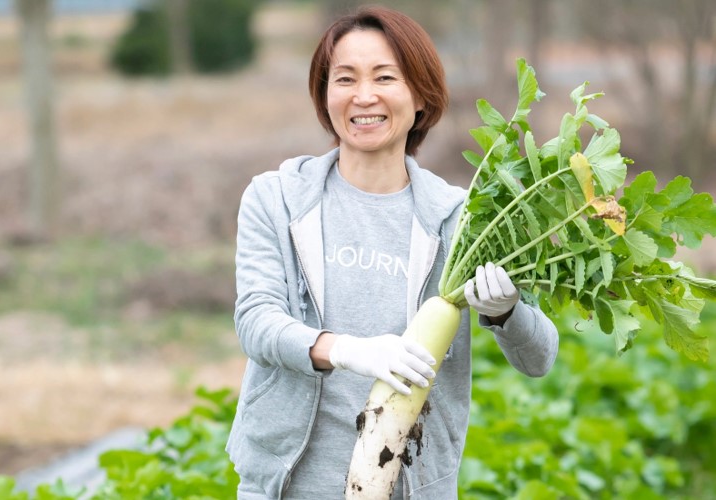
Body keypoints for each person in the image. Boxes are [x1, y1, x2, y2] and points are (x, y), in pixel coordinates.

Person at [226, 6, 559, 499]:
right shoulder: (276, 198)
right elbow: (256, 321)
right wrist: (347, 350)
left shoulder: (463, 221)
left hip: (411, 488)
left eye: (385, 77)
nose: (364, 96)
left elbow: (540, 358)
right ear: (324, 94)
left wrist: (507, 311)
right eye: (344, 79)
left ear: (421, 95)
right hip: (284, 486)